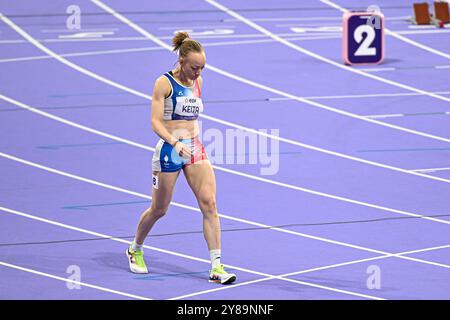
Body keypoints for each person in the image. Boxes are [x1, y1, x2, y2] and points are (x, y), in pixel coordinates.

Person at [126, 31, 236, 285]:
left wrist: (189, 142)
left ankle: (217, 266)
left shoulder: (198, 81)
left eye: (202, 68)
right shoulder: (163, 83)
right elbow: (155, 122)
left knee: (209, 204)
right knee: (159, 209)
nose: (199, 72)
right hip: (169, 149)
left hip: (195, 147)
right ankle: (135, 248)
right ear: (181, 62)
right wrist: (175, 142)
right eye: (194, 67)